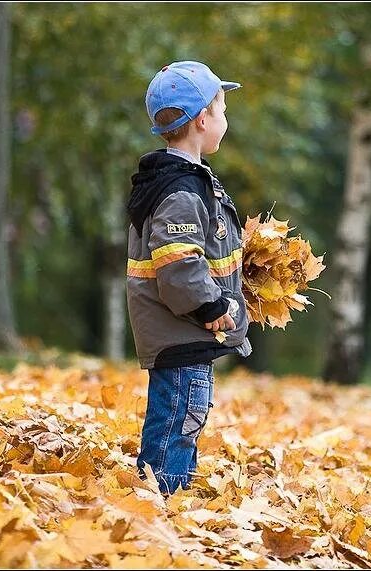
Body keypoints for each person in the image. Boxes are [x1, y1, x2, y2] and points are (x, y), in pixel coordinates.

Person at [125, 61, 251, 495]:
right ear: (202, 120)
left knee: (185, 418)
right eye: (222, 110)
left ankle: (173, 493)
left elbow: (205, 249)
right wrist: (212, 306)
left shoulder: (186, 181)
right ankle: (160, 499)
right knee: (180, 416)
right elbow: (178, 263)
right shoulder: (179, 190)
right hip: (183, 327)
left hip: (184, 329)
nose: (224, 120)